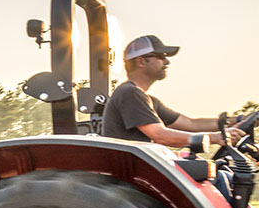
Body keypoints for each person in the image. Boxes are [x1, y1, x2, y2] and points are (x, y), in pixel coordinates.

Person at [102, 35, 244, 147]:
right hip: (125, 179)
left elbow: (191, 124)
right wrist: (215, 137)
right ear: (141, 61)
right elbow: (160, 136)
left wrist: (237, 121)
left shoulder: (148, 100)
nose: (167, 62)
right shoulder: (130, 93)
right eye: (161, 56)